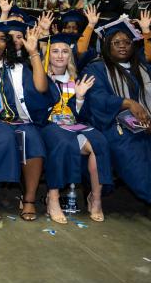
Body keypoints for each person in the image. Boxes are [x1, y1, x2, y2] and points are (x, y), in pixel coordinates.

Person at [0, 21, 57, 222]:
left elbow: (42, 88)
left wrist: (33, 53)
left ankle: (29, 199)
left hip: (16, 121)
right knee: (3, 136)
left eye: (2, 38)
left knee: (33, 138)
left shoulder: (18, 68)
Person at [39, 33, 112, 224]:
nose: (60, 56)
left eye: (64, 51)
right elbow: (37, 107)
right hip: (50, 125)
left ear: (70, 56)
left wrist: (79, 97)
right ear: (48, 55)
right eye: (55, 51)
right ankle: (52, 198)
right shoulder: (40, 77)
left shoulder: (76, 79)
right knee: (62, 141)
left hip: (74, 125)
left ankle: (95, 198)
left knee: (100, 142)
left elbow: (83, 115)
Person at [82, 19, 151, 204]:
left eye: (127, 42)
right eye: (117, 42)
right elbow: (97, 98)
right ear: (107, 46)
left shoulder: (143, 67)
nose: (123, 46)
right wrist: (127, 103)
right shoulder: (96, 68)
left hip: (146, 123)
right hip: (114, 125)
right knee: (134, 150)